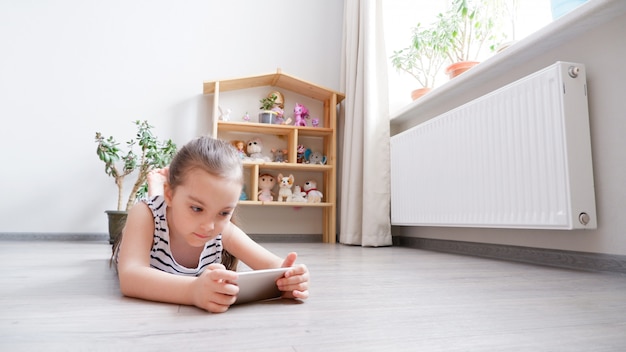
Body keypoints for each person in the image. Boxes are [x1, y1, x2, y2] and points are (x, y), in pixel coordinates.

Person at [113, 136, 309, 313]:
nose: (209, 226)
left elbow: (275, 266)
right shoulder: (145, 214)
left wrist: (290, 279)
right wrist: (192, 291)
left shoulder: (223, 230)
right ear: (170, 194)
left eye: (224, 212)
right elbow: (130, 277)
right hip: (152, 219)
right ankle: (156, 188)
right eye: (197, 209)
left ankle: (161, 190)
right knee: (154, 206)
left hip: (170, 201)